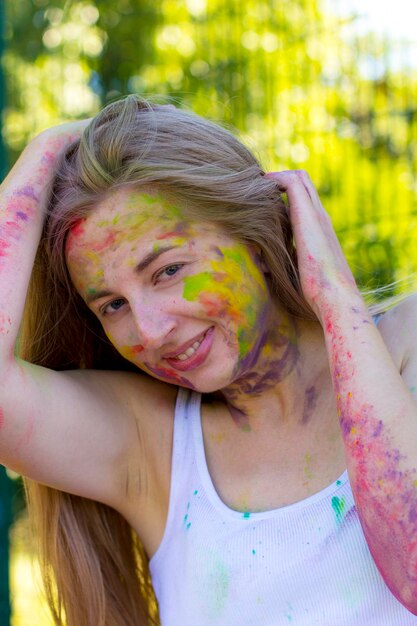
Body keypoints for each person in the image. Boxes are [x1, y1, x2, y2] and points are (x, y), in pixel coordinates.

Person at [0, 95, 416, 626]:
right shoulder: (153, 444)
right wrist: (49, 145)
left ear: (255, 239)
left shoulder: (404, 343)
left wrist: (335, 298)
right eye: (113, 305)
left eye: (168, 270)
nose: (151, 330)